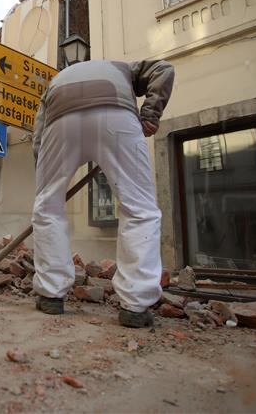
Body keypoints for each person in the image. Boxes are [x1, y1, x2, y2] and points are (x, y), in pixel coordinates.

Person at [31, 59, 174, 328]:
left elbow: (39, 133)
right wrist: (150, 116)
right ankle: (135, 304)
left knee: (48, 206)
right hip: (116, 115)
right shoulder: (126, 69)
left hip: (59, 120)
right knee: (140, 209)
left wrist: (46, 172)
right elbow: (163, 69)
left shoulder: (58, 79)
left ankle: (51, 294)